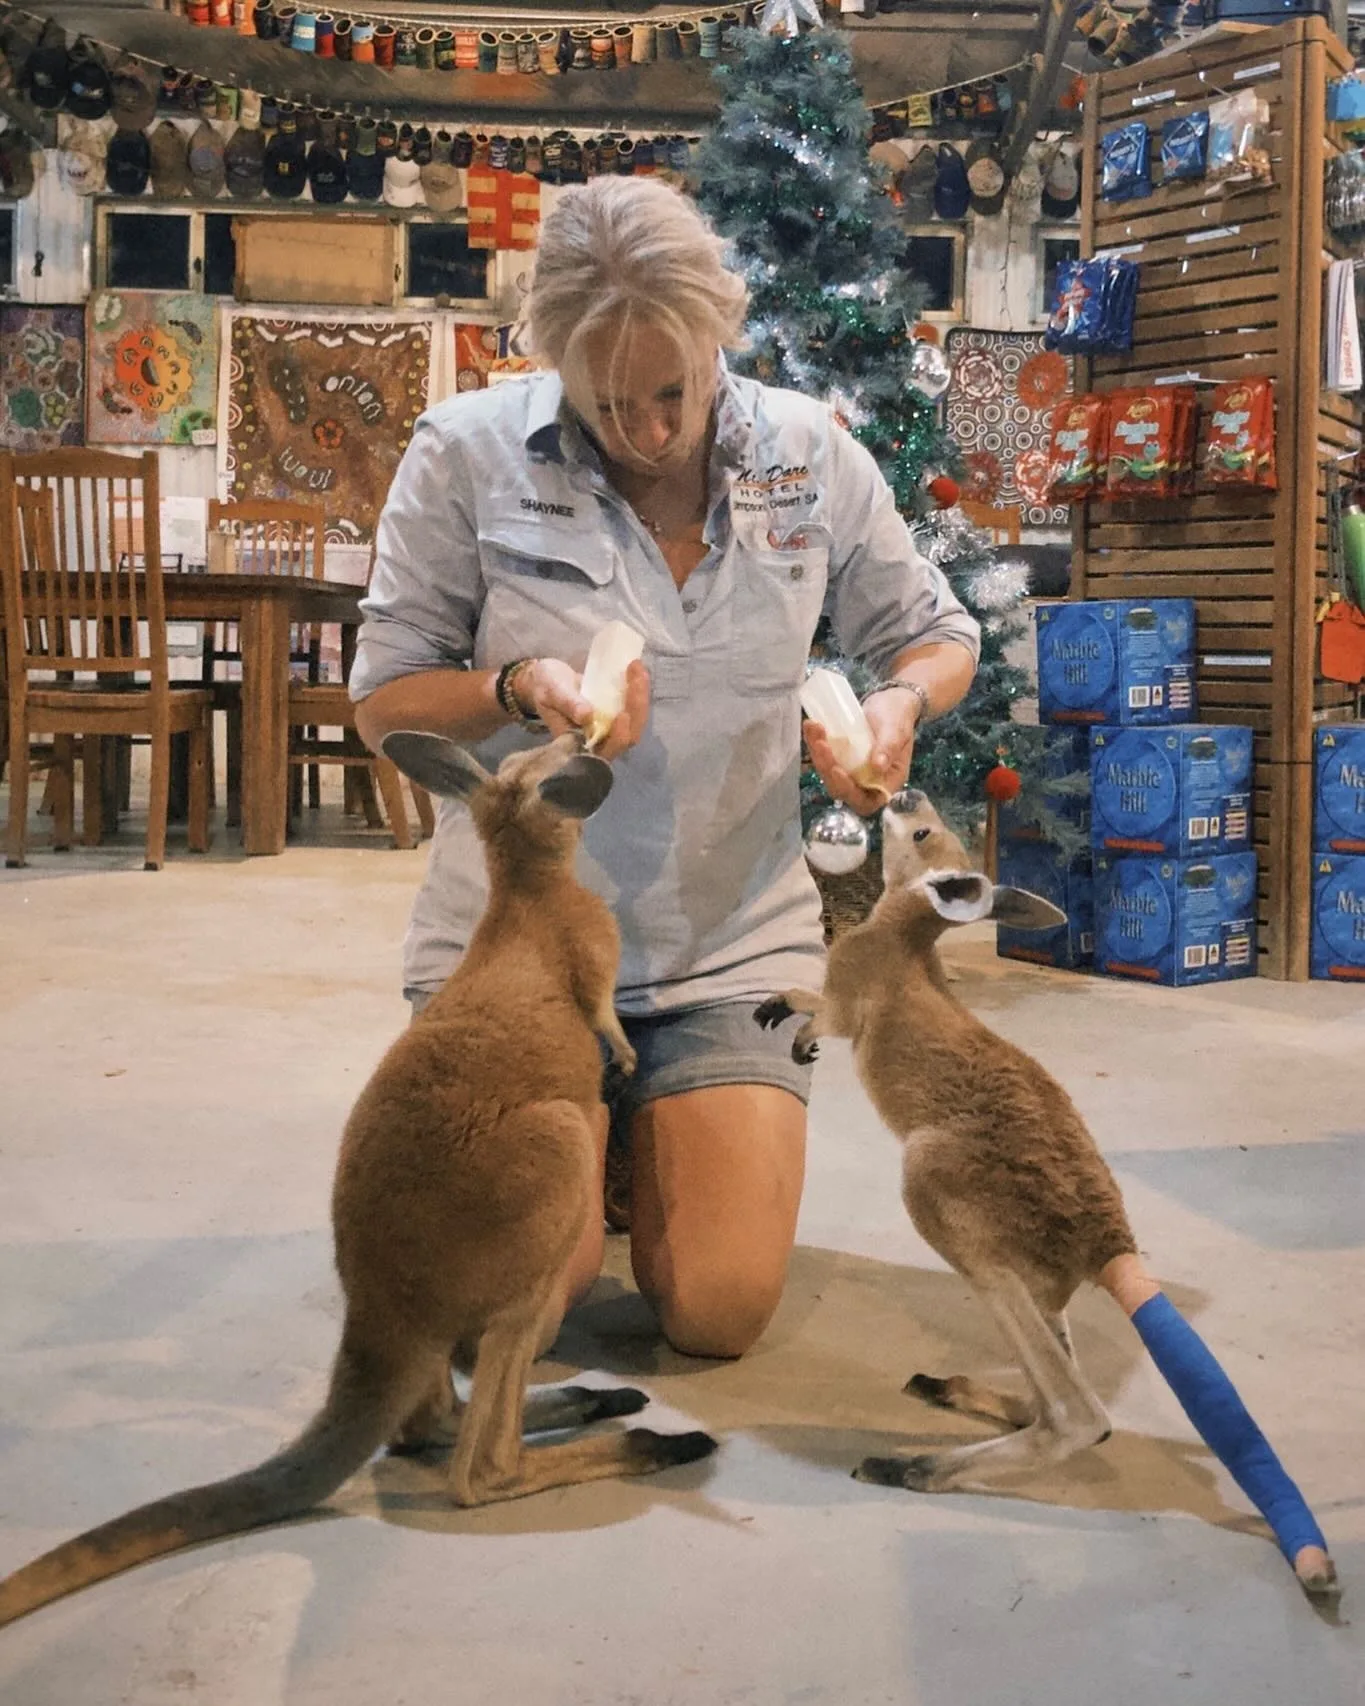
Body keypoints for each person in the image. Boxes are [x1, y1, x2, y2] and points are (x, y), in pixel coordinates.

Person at [350, 176, 979, 1360]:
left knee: (717, 1310)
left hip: (728, 938)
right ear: (558, 366)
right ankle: (602, 1141)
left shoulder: (811, 455)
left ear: (717, 330)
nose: (647, 429)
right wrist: (513, 687)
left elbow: (939, 633)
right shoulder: (466, 454)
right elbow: (382, 701)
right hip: (515, 946)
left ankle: (645, 1122)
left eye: (672, 391)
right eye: (607, 400)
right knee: (514, 1307)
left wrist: (894, 706)